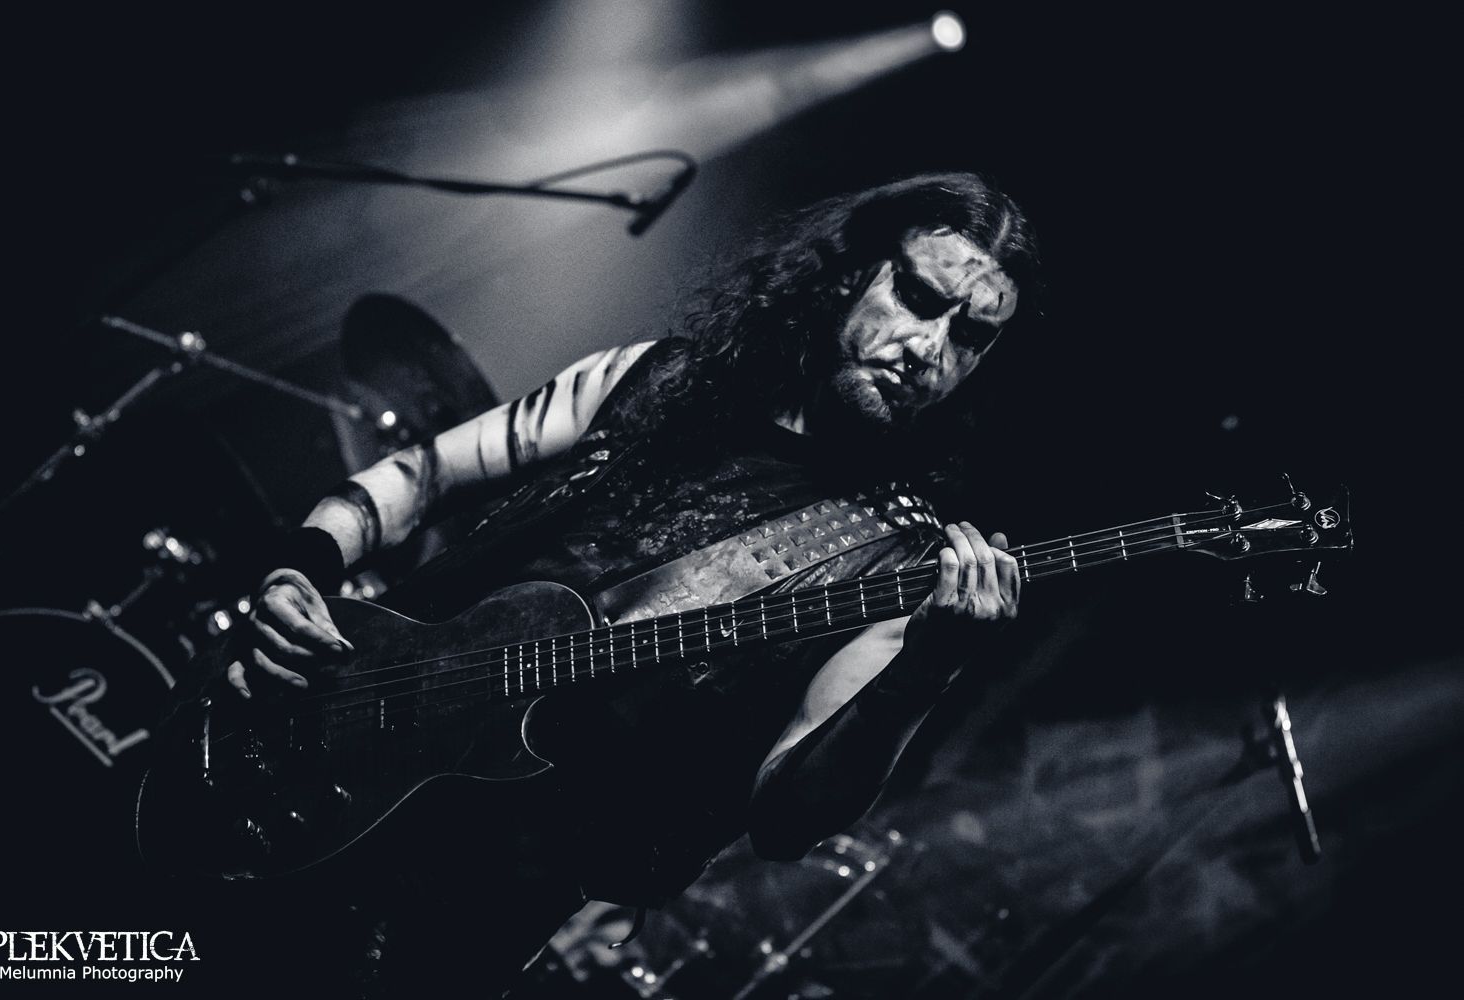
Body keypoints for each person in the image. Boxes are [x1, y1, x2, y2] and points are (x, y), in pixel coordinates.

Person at [225, 172, 1040, 996]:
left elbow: (788, 820)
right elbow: (422, 475)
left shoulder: (898, 564)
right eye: (917, 297)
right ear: (851, 272)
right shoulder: (657, 378)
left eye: (971, 336)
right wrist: (300, 571)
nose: (930, 349)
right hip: (317, 745)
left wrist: (924, 676)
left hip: (465, 915)